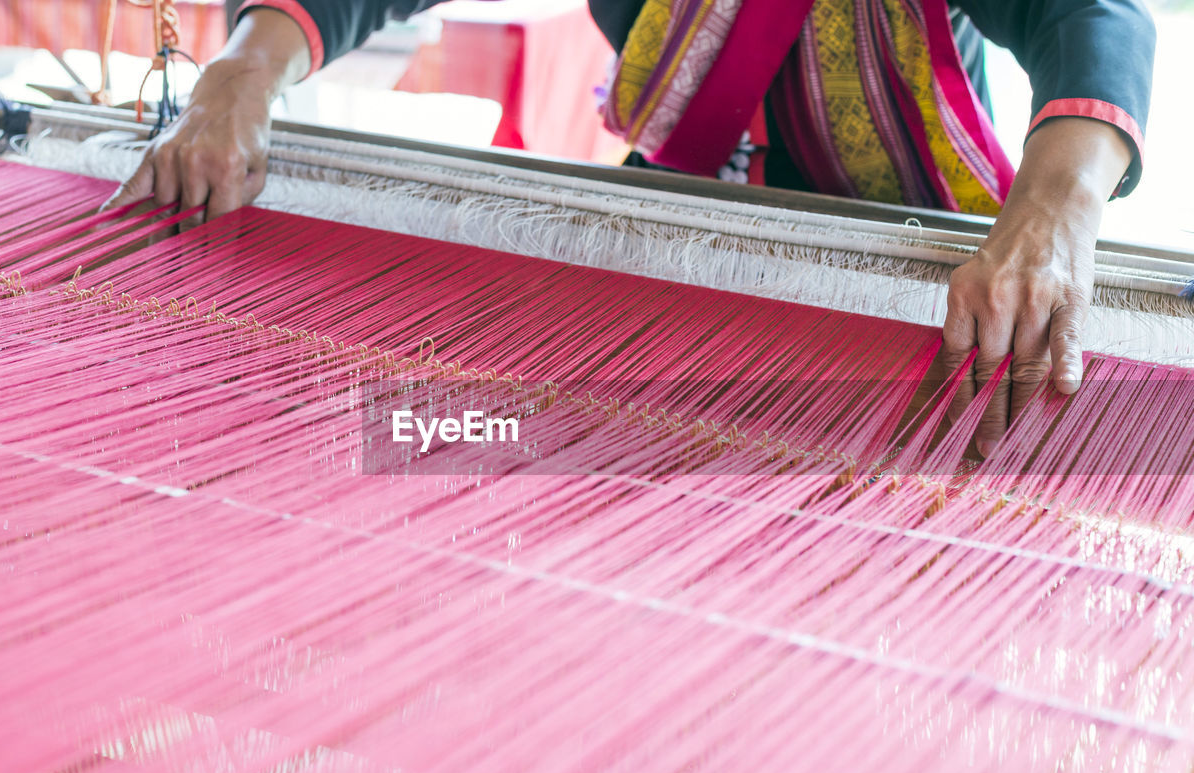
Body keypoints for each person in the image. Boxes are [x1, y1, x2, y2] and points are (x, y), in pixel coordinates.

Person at [106, 0, 1156, 457]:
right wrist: (242, 73)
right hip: (684, 230)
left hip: (906, 273)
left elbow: (1092, 15)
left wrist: (1057, 207)